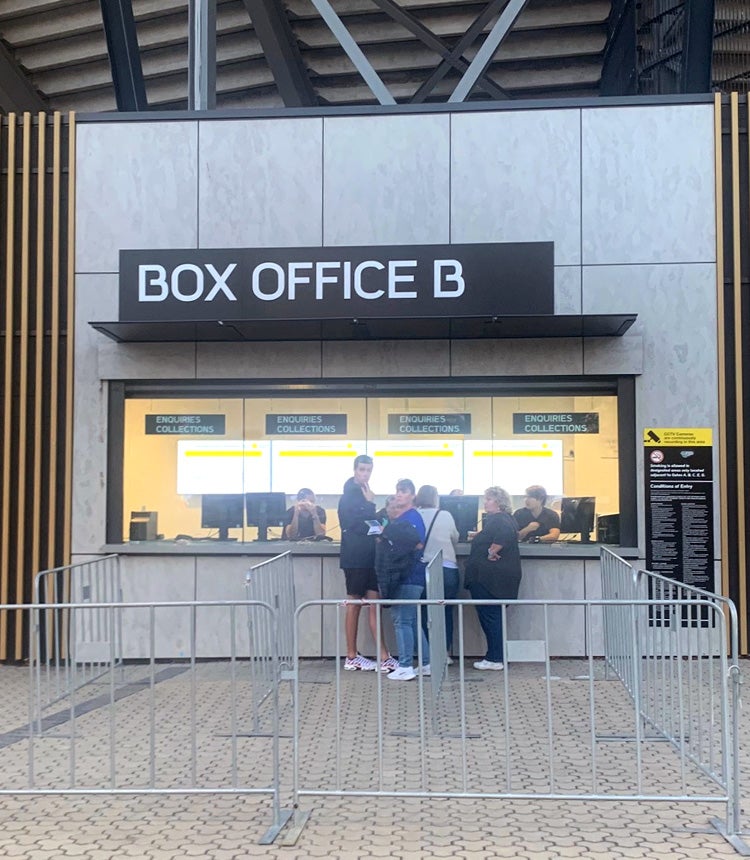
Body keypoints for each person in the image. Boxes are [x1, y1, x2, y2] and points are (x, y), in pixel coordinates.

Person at [337, 454, 395, 672]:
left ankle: (383, 656)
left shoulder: (364, 494)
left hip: (371, 556)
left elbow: (369, 524)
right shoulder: (350, 497)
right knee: (354, 602)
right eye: (361, 470)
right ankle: (351, 656)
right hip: (355, 557)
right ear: (354, 470)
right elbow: (357, 526)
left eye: (368, 470)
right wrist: (371, 506)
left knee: (374, 603)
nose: (365, 474)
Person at [464, 486, 522, 671]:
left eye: (488, 499)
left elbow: (502, 537)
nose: (485, 502)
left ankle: (495, 657)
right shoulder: (503, 519)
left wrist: (491, 551)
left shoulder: (499, 520)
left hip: (490, 579)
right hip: (494, 578)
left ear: (498, 501)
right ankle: (496, 655)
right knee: (493, 616)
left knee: (491, 616)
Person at [387, 479, 430, 681]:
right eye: (397, 491)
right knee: (411, 621)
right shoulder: (408, 517)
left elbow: (416, 544)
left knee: (402, 620)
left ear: (413, 495)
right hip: (413, 575)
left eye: (403, 491)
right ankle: (426, 662)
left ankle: (405, 665)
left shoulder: (410, 518)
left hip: (406, 575)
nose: (398, 495)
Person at [415, 485, 459, 661]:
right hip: (447, 568)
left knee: (425, 612)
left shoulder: (414, 515)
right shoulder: (445, 515)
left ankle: (428, 655)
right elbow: (455, 537)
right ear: (435, 498)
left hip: (422, 569)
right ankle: (444, 653)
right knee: (445, 611)